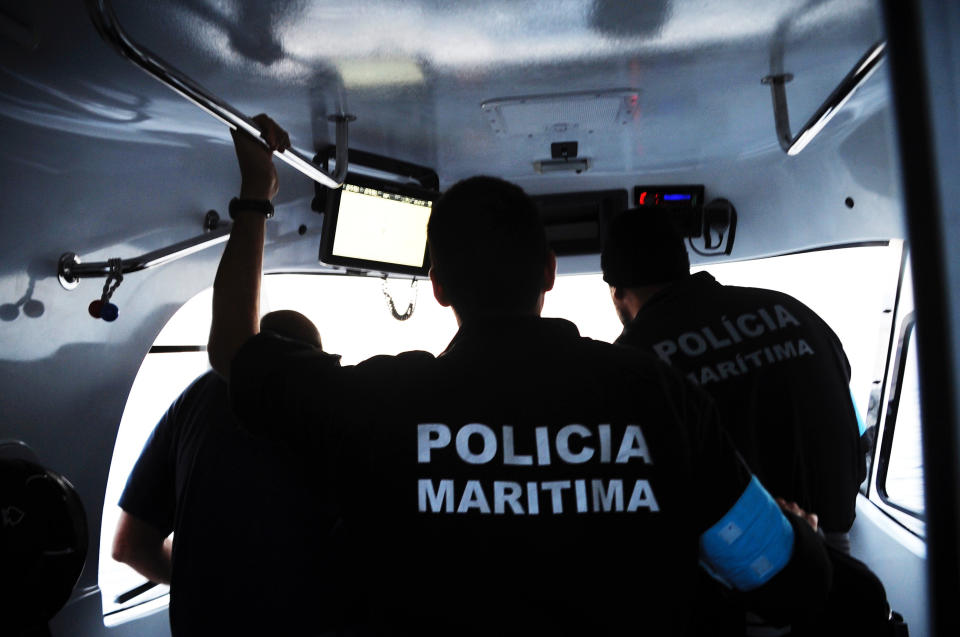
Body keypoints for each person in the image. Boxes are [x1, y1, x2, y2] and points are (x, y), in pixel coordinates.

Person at [208, 115, 832, 635]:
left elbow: (234, 352)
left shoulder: (379, 405)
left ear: (440, 287)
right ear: (550, 273)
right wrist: (798, 534)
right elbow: (782, 582)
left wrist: (257, 188)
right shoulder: (657, 392)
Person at [601, 209, 867, 552]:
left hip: (726, 576)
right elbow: (851, 425)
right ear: (683, 267)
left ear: (616, 291)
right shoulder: (795, 313)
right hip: (836, 556)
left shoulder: (630, 360)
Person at [112, 310, 345, 636]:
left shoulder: (192, 401)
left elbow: (129, 545)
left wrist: (200, 578)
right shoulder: (336, 402)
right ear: (316, 358)